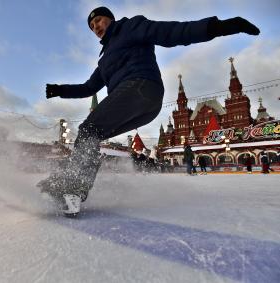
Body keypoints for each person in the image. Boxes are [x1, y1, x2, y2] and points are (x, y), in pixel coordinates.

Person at [38, 6, 260, 215]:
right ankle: (72, 186)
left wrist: (220, 27)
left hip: (140, 86)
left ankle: (73, 187)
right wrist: (59, 90)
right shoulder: (104, 60)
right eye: (91, 25)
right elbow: (88, 87)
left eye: (98, 20)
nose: (96, 26)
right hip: (145, 106)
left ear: (110, 18)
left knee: (89, 128)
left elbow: (172, 32)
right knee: (92, 134)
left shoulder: (130, 27)